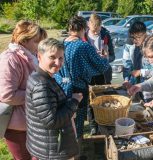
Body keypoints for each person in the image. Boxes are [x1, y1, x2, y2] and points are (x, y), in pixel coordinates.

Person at [54, 16, 109, 157]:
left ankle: (68, 152)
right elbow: (102, 66)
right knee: (78, 124)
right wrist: (104, 56)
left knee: (65, 122)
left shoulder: (61, 44)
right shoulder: (83, 46)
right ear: (83, 29)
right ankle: (76, 155)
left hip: (61, 88)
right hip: (78, 89)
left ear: (70, 28)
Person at [25, 38, 83, 160]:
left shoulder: (43, 77)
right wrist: (74, 102)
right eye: (52, 57)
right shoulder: (42, 84)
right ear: (39, 56)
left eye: (61, 58)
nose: (58, 63)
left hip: (49, 147)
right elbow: (52, 121)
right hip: (53, 152)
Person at [0, 20, 47, 160]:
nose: (40, 45)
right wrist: (37, 94)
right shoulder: (10, 59)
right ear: (23, 40)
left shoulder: (29, 56)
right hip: (18, 127)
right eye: (36, 41)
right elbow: (7, 95)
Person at [123, 21, 153, 102]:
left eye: (138, 37)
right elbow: (130, 66)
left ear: (144, 33)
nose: (135, 40)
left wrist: (141, 72)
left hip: (151, 92)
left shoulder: (152, 46)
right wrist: (128, 81)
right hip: (139, 89)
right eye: (133, 37)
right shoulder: (135, 47)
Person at [86, 13, 115, 84]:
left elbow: (112, 56)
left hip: (104, 74)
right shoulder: (84, 37)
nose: (96, 33)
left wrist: (106, 57)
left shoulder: (106, 35)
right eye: (93, 31)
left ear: (101, 26)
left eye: (98, 30)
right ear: (88, 24)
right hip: (89, 75)